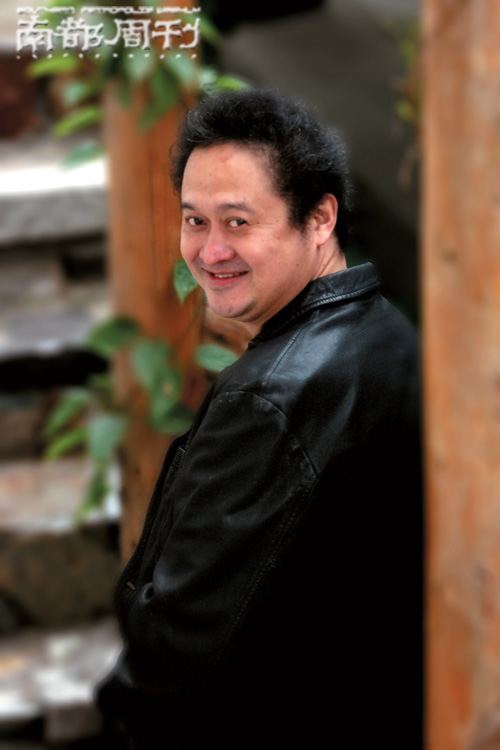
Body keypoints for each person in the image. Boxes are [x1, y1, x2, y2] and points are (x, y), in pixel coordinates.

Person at [97, 89, 422, 749]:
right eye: (195, 220)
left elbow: (174, 659)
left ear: (320, 218)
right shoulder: (387, 331)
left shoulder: (270, 399)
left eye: (238, 222)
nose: (210, 251)